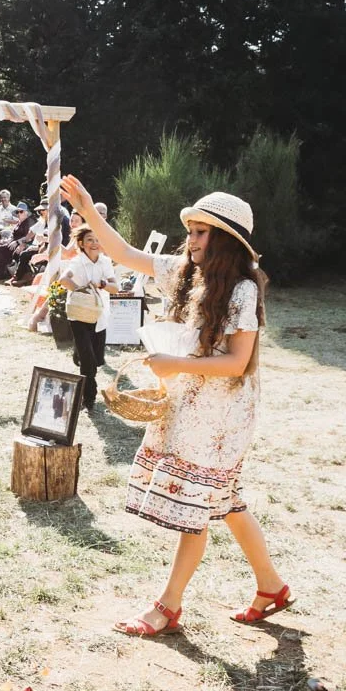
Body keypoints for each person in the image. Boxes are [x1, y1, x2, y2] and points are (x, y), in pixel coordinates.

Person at [61, 175, 292, 638]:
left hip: (222, 413)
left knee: (194, 505)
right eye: (190, 230)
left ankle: (167, 607)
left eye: (201, 232)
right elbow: (126, 254)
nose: (191, 239)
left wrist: (173, 363)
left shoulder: (242, 289)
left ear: (225, 240)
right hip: (190, 402)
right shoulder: (186, 272)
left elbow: (237, 362)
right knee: (223, 500)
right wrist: (87, 210)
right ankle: (271, 588)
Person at [58, 225, 119, 409]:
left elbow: (115, 288)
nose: (94, 243)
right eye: (90, 240)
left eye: (97, 239)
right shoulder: (77, 262)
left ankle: (79, 352)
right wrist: (81, 290)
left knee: (97, 359)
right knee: (89, 363)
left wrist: (101, 284)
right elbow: (63, 280)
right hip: (78, 315)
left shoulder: (105, 262)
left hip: (98, 315)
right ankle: (89, 398)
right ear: (81, 244)